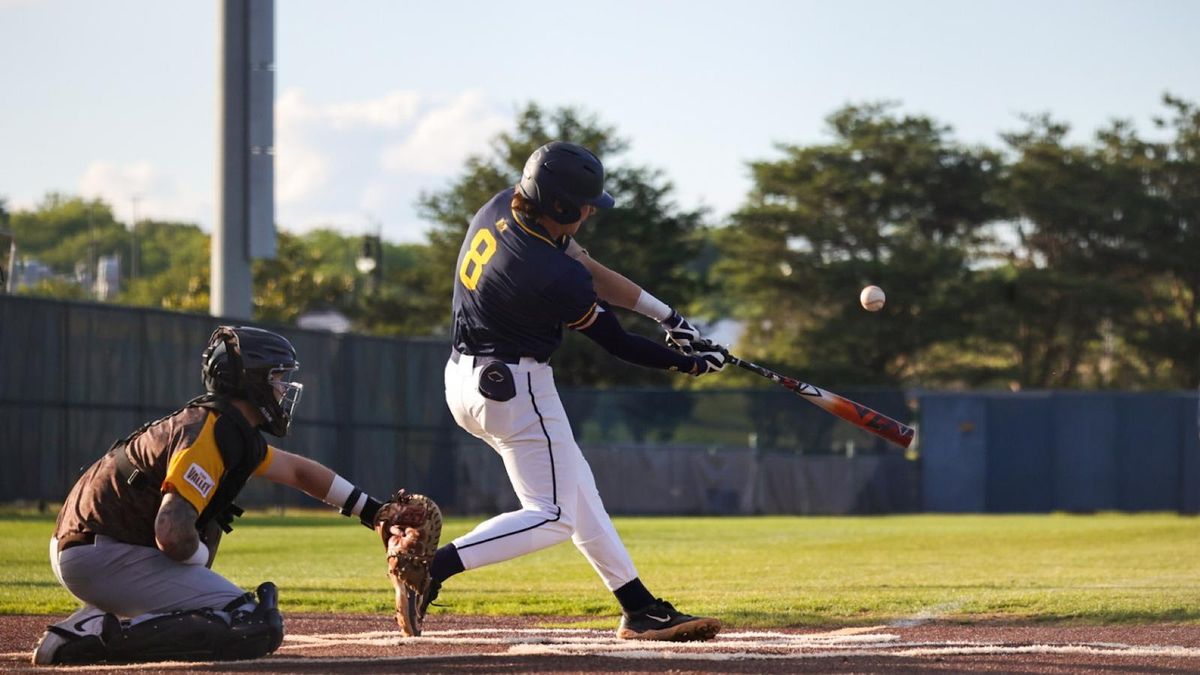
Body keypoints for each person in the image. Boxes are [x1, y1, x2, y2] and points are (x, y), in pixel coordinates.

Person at [426, 141, 728, 642]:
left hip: (463, 378)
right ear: (561, 205)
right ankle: (433, 567)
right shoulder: (551, 275)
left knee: (578, 491)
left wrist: (668, 317)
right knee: (555, 516)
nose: (591, 211)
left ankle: (639, 607)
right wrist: (689, 362)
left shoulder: (502, 206)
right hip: (515, 388)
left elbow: (589, 268)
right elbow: (617, 343)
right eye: (585, 204)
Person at [33, 326, 405, 664]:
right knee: (249, 623)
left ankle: (96, 621)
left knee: (244, 616)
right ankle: (90, 636)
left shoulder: (224, 426)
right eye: (277, 377)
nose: (283, 388)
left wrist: (375, 513)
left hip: (97, 546)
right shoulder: (214, 432)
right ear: (253, 380)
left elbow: (299, 472)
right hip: (102, 552)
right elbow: (172, 532)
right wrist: (196, 558)